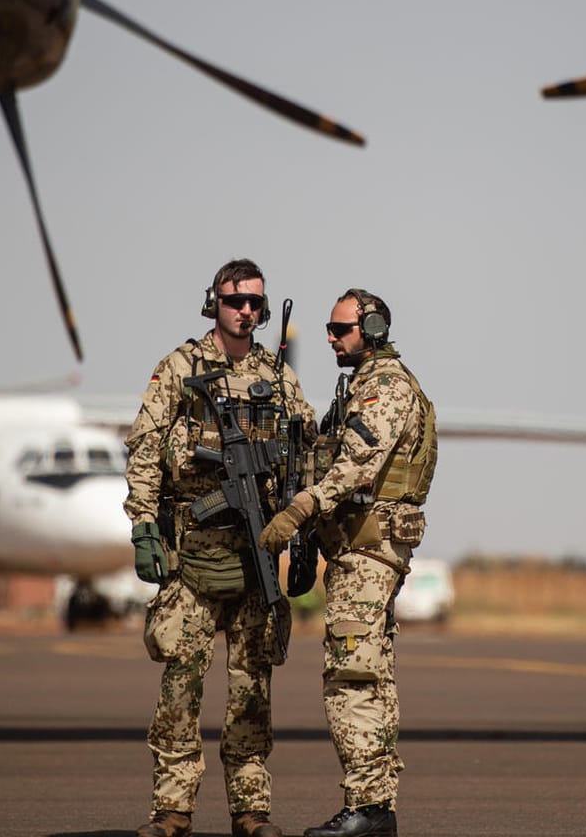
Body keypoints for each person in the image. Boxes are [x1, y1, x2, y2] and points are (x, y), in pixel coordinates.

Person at [123, 259, 315, 837]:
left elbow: (305, 455)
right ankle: (172, 810)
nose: (248, 312)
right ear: (215, 303)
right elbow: (143, 451)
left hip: (256, 555)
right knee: (180, 684)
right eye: (237, 301)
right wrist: (143, 527)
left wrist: (304, 536)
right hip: (193, 556)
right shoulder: (181, 367)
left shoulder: (278, 377)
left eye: (256, 302)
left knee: (252, 688)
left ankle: (251, 811)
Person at [261, 289, 436, 837]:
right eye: (329, 330)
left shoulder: (385, 387)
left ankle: (366, 807)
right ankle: (375, 806)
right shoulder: (357, 387)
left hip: (369, 549)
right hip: (357, 548)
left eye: (341, 330)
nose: (331, 339)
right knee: (371, 673)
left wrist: (301, 508)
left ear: (374, 328)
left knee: (352, 675)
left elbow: (359, 464)